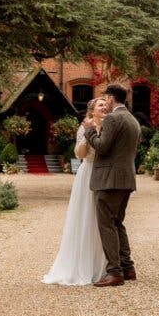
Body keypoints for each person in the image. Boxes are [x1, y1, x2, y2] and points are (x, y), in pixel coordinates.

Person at [42, 97, 108, 285]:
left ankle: (102, 265)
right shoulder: (84, 127)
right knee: (85, 216)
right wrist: (89, 132)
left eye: (105, 104)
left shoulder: (110, 125)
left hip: (104, 172)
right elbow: (79, 154)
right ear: (92, 110)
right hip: (88, 172)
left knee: (101, 218)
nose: (104, 107)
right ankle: (82, 264)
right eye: (100, 105)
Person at [83, 83, 141, 287]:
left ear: (110, 98)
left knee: (107, 224)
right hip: (126, 179)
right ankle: (128, 267)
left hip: (109, 180)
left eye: (106, 98)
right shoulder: (132, 119)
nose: (105, 101)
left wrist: (89, 132)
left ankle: (114, 272)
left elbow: (102, 146)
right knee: (118, 223)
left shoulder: (114, 118)